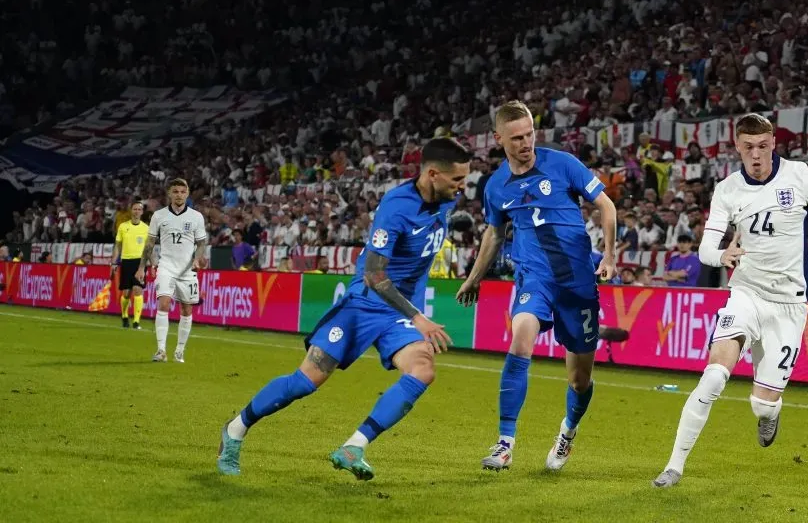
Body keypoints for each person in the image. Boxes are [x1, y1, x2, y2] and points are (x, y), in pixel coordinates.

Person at [652, 113, 808, 488]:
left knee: (761, 404)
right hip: (746, 293)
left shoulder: (800, 177)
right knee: (715, 376)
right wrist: (722, 256)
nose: (756, 154)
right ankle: (673, 467)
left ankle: (769, 412)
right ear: (737, 146)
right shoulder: (728, 190)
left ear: (773, 145)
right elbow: (705, 247)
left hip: (790, 302)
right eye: (748, 147)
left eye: (763, 147)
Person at [216, 138, 471, 479]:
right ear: (433, 174)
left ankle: (354, 446)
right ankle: (235, 430)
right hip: (365, 305)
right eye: (457, 180)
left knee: (423, 369)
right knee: (305, 382)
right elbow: (373, 274)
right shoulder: (396, 207)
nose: (462, 187)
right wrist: (418, 317)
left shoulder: (444, 202)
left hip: (397, 314)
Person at [456, 100, 619, 472]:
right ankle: (504, 443)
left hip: (577, 284)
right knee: (520, 339)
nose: (525, 143)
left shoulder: (563, 164)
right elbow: (494, 233)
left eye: (529, 134)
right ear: (498, 139)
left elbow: (606, 207)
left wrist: (608, 256)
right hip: (535, 279)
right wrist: (473, 278)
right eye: (516, 138)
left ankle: (568, 431)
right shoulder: (496, 186)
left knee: (579, 381)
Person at [139, 179, 208, 363]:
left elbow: (201, 243)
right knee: (164, 303)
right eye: (175, 191)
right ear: (170, 193)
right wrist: (142, 266)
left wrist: (197, 258)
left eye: (182, 192)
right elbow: (150, 243)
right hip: (166, 266)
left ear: (187, 193)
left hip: (187, 270)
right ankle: (161, 350)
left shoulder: (196, 217)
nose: (179, 195)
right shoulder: (159, 216)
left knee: (186, 310)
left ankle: (179, 350)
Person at [112, 201, 149, 329]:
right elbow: (118, 246)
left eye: (139, 209)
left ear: (142, 212)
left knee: (138, 290)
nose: (137, 211)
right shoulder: (123, 226)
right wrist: (114, 262)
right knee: (127, 293)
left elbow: (148, 248)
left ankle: (136, 321)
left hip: (140, 262)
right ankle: (124, 316)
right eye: (135, 209)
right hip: (126, 261)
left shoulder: (146, 228)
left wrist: (152, 264)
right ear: (131, 210)